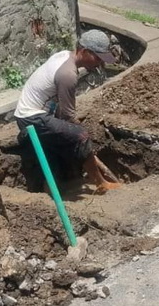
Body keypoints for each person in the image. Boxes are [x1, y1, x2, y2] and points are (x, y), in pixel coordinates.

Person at [14, 30, 121, 193]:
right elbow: (68, 116)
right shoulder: (68, 74)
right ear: (85, 51)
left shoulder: (65, 55)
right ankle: (101, 182)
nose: (99, 63)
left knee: (66, 139)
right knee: (81, 136)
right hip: (32, 118)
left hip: (33, 114)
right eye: (97, 58)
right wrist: (79, 134)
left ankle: (53, 184)